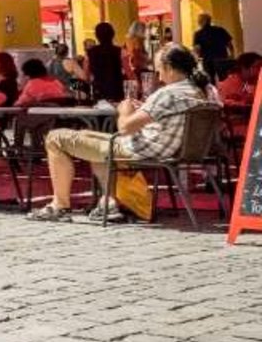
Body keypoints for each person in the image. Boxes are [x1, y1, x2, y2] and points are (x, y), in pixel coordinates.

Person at [35, 44, 211, 223]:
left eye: (159, 71)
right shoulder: (201, 91)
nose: (159, 76)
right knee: (89, 138)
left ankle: (60, 204)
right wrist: (144, 109)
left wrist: (124, 109)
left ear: (170, 68)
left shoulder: (168, 94)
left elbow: (125, 128)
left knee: (55, 138)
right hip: (172, 149)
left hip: (144, 149)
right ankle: (110, 203)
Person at [87, 22, 127, 103]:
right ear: (113, 34)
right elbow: (128, 71)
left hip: (99, 90)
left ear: (97, 35)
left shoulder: (89, 53)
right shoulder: (120, 51)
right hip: (117, 89)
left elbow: (86, 75)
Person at [193, 13, 235, 80]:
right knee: (224, 78)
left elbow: (197, 49)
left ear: (204, 21)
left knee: (210, 79)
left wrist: (197, 58)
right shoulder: (220, 30)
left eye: (199, 20)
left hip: (208, 60)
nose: (198, 22)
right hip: (222, 58)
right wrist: (232, 54)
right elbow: (229, 44)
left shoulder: (198, 34)